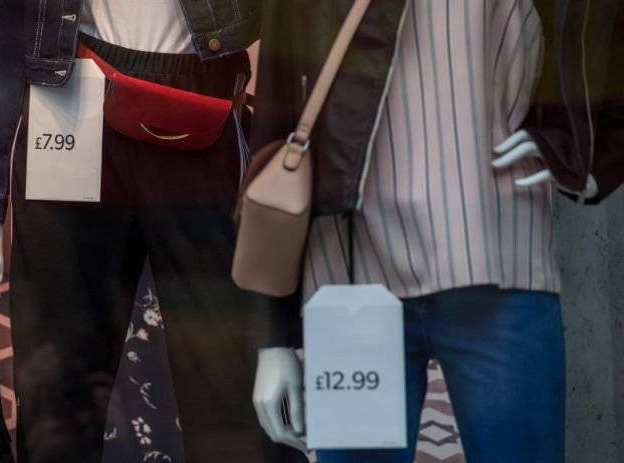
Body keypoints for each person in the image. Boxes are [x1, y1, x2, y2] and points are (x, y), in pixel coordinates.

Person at [250, 0, 624, 462]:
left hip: (501, 258)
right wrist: (273, 335)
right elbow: (277, 106)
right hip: (351, 275)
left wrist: (596, 155)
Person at [0, 1, 304, 462]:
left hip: (203, 103)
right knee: (57, 404)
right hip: (70, 99)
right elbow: (6, 16)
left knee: (233, 397)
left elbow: (292, 20)